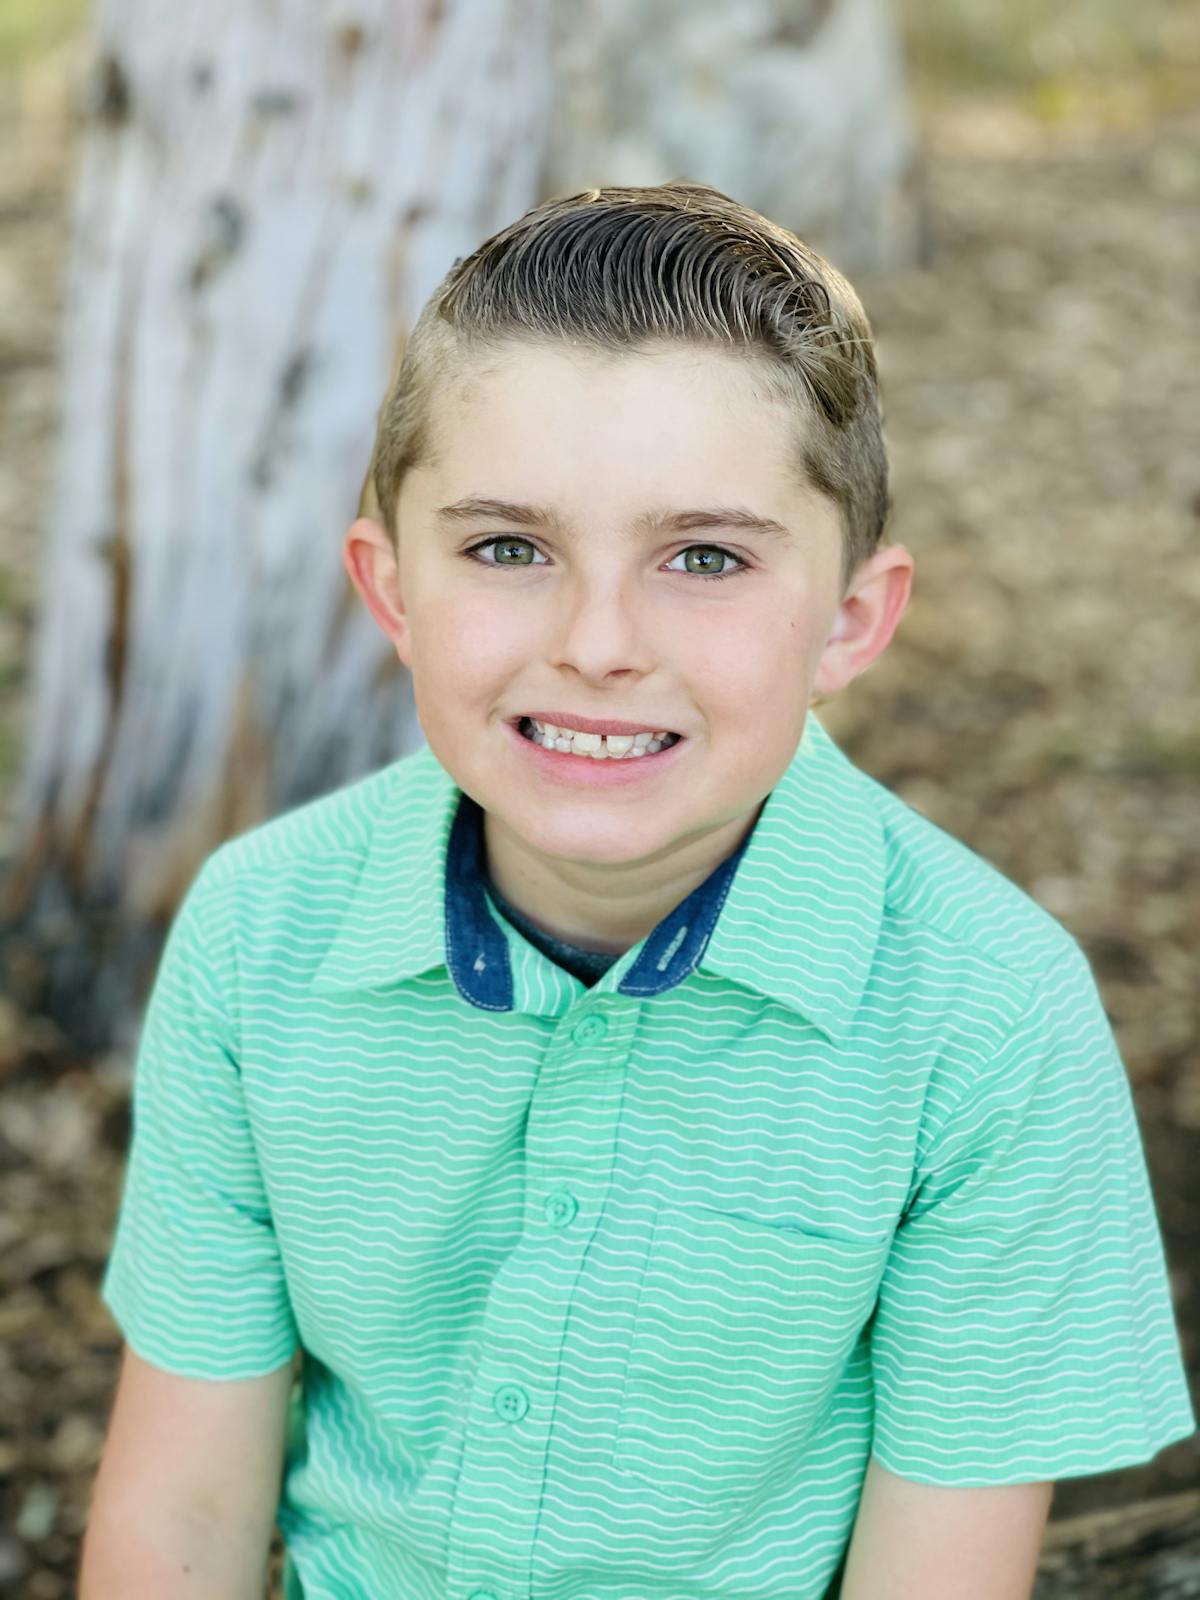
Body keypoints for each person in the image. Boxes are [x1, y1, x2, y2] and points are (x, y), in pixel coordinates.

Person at [80, 181, 1195, 1600]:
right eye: (507, 548)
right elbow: (181, 1511)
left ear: (851, 619)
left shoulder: (984, 1014)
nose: (598, 642)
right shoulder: (259, 933)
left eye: (705, 557)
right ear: (392, 591)